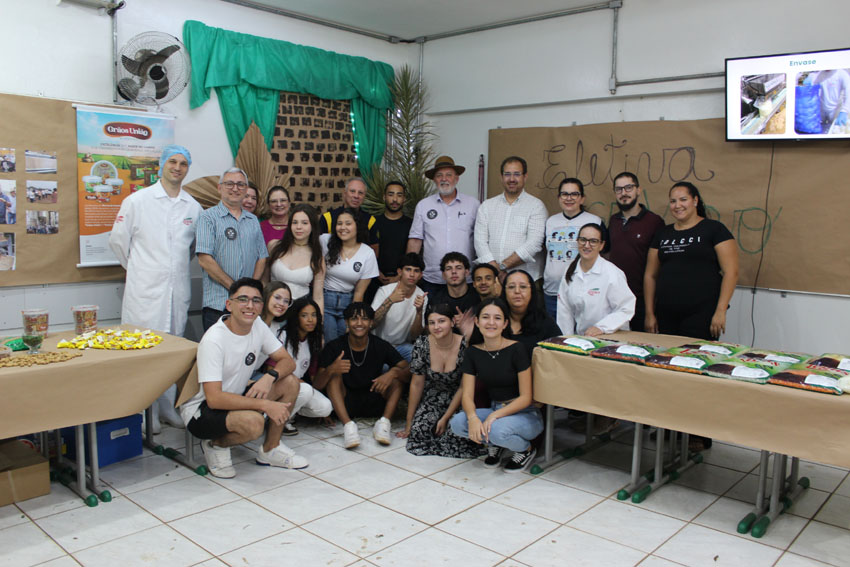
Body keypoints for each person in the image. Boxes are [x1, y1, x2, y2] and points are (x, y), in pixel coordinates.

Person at [109, 145, 203, 432]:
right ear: (162, 165)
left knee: (171, 353)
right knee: (142, 353)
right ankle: (141, 412)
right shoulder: (138, 201)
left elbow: (191, 249)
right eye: (172, 161)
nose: (177, 167)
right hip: (144, 293)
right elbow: (118, 242)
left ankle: (166, 408)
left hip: (177, 293)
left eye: (183, 163)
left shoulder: (193, 207)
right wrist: (140, 270)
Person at [179, 278, 307, 478]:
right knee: (254, 424)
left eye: (256, 300)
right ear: (229, 305)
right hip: (202, 410)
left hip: (235, 396)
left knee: (290, 382)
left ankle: (271, 449)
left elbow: (287, 362)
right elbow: (214, 399)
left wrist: (269, 377)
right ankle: (215, 444)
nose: (250, 306)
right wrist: (265, 405)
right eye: (243, 299)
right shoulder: (214, 340)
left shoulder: (257, 325)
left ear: (261, 306)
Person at [644, 183, 739, 452]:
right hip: (667, 314)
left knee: (697, 373)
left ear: (695, 200)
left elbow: (731, 272)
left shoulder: (714, 229)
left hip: (702, 314)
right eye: (673, 201)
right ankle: (670, 427)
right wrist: (650, 312)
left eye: (683, 199)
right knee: (669, 372)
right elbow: (650, 275)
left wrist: (720, 310)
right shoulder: (663, 234)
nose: (678, 205)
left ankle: (698, 433)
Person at [449, 298, 543, 473]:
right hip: (495, 410)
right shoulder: (472, 352)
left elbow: (526, 397)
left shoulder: (517, 349)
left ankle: (526, 449)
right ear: (477, 321)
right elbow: (467, 395)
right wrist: (473, 418)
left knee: (496, 430)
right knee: (457, 423)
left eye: (497, 318)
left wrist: (494, 416)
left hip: (525, 414)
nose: (491, 322)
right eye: (485, 317)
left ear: (505, 323)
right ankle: (495, 443)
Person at [314, 302, 409, 449]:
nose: (359, 323)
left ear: (371, 323)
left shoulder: (380, 345)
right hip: (345, 402)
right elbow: (317, 385)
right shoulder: (334, 346)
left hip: (374, 398)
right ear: (346, 322)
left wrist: (393, 372)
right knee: (334, 376)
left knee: (396, 378)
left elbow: (408, 371)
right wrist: (331, 370)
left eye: (364, 319)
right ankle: (348, 427)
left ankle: (384, 424)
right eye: (354, 319)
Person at [399, 303, 484, 458]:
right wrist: (409, 422)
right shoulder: (422, 344)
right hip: (432, 398)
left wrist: (445, 418)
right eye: (432, 323)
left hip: (459, 400)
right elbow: (416, 384)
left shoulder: (465, 346)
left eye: (441, 321)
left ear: (452, 322)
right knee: (419, 432)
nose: (436, 327)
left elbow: (463, 387)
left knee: (455, 437)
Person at [197, 168, 268, 331]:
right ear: (219, 187)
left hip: (248, 306)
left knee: (247, 346)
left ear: (246, 189)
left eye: (240, 184)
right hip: (218, 305)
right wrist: (236, 289)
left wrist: (250, 289)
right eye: (229, 184)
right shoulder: (207, 217)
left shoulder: (253, 220)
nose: (235, 188)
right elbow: (205, 260)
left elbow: (262, 257)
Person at [407, 156, 479, 296]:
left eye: (449, 175)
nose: (444, 179)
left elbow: (480, 239)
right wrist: (410, 269)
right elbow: (415, 240)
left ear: (456, 178)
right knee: (432, 311)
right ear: (434, 179)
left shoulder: (473, 204)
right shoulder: (423, 205)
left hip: (465, 279)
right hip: (433, 279)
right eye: (439, 175)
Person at [474, 156, 547, 283]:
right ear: (501, 177)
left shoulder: (536, 206)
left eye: (517, 174)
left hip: (527, 281)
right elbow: (480, 242)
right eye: (507, 174)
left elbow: (534, 244)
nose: (512, 179)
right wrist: (494, 270)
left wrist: (503, 267)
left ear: (525, 177)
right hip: (493, 280)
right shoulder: (487, 206)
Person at [607, 172, 665, 332]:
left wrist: (650, 312)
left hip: (642, 300)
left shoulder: (654, 222)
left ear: (638, 190)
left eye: (628, 188)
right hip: (614, 298)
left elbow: (659, 266)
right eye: (618, 189)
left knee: (641, 344)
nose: (623, 193)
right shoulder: (613, 221)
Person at [556, 223, 635, 337]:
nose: (587, 245)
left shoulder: (612, 273)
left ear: (601, 245)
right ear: (577, 241)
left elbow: (626, 308)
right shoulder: (569, 272)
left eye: (593, 241)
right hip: (584, 338)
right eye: (583, 240)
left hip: (611, 336)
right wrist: (565, 340)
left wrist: (601, 327)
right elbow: (564, 311)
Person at [543, 178, 603, 319]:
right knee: (555, 332)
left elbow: (604, 253)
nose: (569, 198)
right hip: (552, 292)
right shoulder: (550, 222)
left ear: (582, 198)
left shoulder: (594, 221)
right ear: (559, 198)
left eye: (574, 194)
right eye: (564, 194)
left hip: (582, 292)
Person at [320, 209, 379, 342]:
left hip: (348, 304)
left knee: (345, 342)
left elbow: (359, 292)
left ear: (357, 226)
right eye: (339, 223)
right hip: (325, 301)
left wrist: (353, 318)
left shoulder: (367, 253)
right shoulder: (325, 241)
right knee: (330, 342)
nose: (343, 227)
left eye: (348, 223)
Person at [278, 296, 333, 434]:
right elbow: (270, 368)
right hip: (279, 385)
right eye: (304, 315)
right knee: (306, 389)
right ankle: (279, 422)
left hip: (299, 386)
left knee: (325, 407)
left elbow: (313, 375)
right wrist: (297, 382)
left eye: (314, 315)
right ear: (296, 317)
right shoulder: (283, 335)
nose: (310, 319)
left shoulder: (313, 340)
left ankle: (290, 413)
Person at [267, 203, 325, 312]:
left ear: (313, 226)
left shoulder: (317, 257)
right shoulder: (274, 246)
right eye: (295, 222)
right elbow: (264, 280)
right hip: (272, 308)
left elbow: (318, 297)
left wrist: (319, 320)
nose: (298, 227)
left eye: (304, 223)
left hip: (299, 311)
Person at [370, 252, 427, 362]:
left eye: (416, 271)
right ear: (399, 272)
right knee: (384, 368)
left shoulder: (421, 296)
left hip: (401, 346)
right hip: (378, 344)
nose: (412, 274)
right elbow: (371, 324)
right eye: (408, 269)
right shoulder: (385, 291)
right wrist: (390, 300)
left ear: (421, 275)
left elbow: (415, 336)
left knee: (421, 358)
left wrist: (419, 312)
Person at [368, 181, 413, 301]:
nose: (395, 199)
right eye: (391, 194)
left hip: (402, 281)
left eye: (399, 195)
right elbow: (366, 251)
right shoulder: (373, 222)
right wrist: (377, 273)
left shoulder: (411, 224)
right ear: (384, 197)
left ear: (404, 199)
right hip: (373, 279)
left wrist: (399, 276)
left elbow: (412, 255)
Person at [502, 269, 562, 358]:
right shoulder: (496, 319)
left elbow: (559, 355)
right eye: (511, 287)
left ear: (532, 291)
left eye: (523, 287)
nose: (517, 291)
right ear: (504, 291)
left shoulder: (545, 321)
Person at [320, 177, 378, 251]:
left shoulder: (370, 221)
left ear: (364, 196)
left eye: (360, 193)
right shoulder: (328, 218)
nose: (356, 196)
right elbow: (318, 248)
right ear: (345, 193)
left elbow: (374, 251)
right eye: (352, 191)